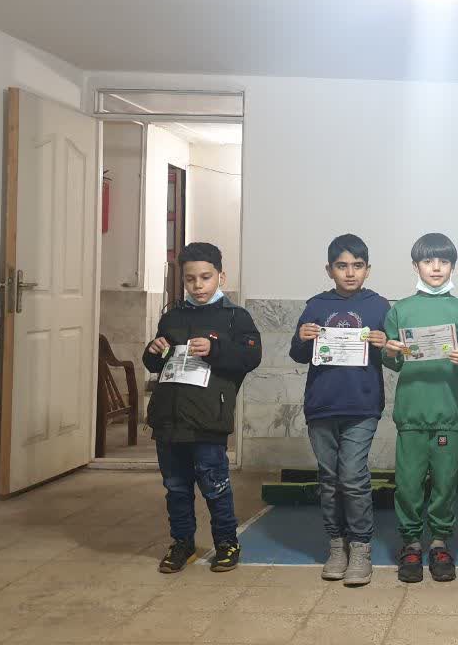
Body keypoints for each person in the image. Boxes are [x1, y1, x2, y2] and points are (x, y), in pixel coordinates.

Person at [143, 242, 262, 574]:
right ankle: (182, 543)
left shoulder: (235, 317)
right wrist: (154, 350)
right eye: (190, 279)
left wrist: (215, 348)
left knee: (215, 485)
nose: (197, 285)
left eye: (205, 277)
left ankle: (226, 543)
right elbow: (155, 363)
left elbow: (250, 357)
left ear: (221, 276)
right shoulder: (172, 316)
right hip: (169, 419)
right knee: (175, 487)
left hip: (209, 420)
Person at [289, 234, 390, 585]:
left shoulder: (379, 306)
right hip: (321, 405)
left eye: (357, 266)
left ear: (367, 270)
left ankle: (360, 547)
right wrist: (302, 338)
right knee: (329, 479)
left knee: (353, 476)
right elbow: (298, 354)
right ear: (329, 269)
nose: (350, 273)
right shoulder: (316, 305)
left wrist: (384, 343)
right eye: (342, 266)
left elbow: (396, 354)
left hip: (362, 405)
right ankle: (337, 545)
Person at [382, 233, 458, 583]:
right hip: (411, 414)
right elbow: (391, 360)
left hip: (447, 413)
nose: (436, 268)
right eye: (428, 261)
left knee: (445, 483)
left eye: (443, 261)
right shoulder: (400, 310)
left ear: (453, 266)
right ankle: (410, 543)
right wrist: (389, 351)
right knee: (407, 484)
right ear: (415, 266)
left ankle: (438, 542)